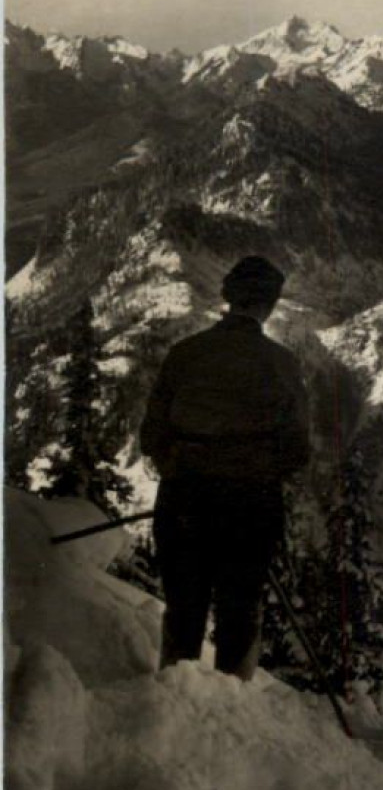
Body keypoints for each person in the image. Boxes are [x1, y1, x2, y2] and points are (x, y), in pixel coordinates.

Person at [139, 256, 311, 680]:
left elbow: (152, 435)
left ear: (228, 298)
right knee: (240, 606)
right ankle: (232, 696)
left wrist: (187, 467)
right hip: (251, 503)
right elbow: (298, 449)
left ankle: (176, 692)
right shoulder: (283, 365)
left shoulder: (184, 354)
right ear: (269, 305)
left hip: (184, 498)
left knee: (184, 605)